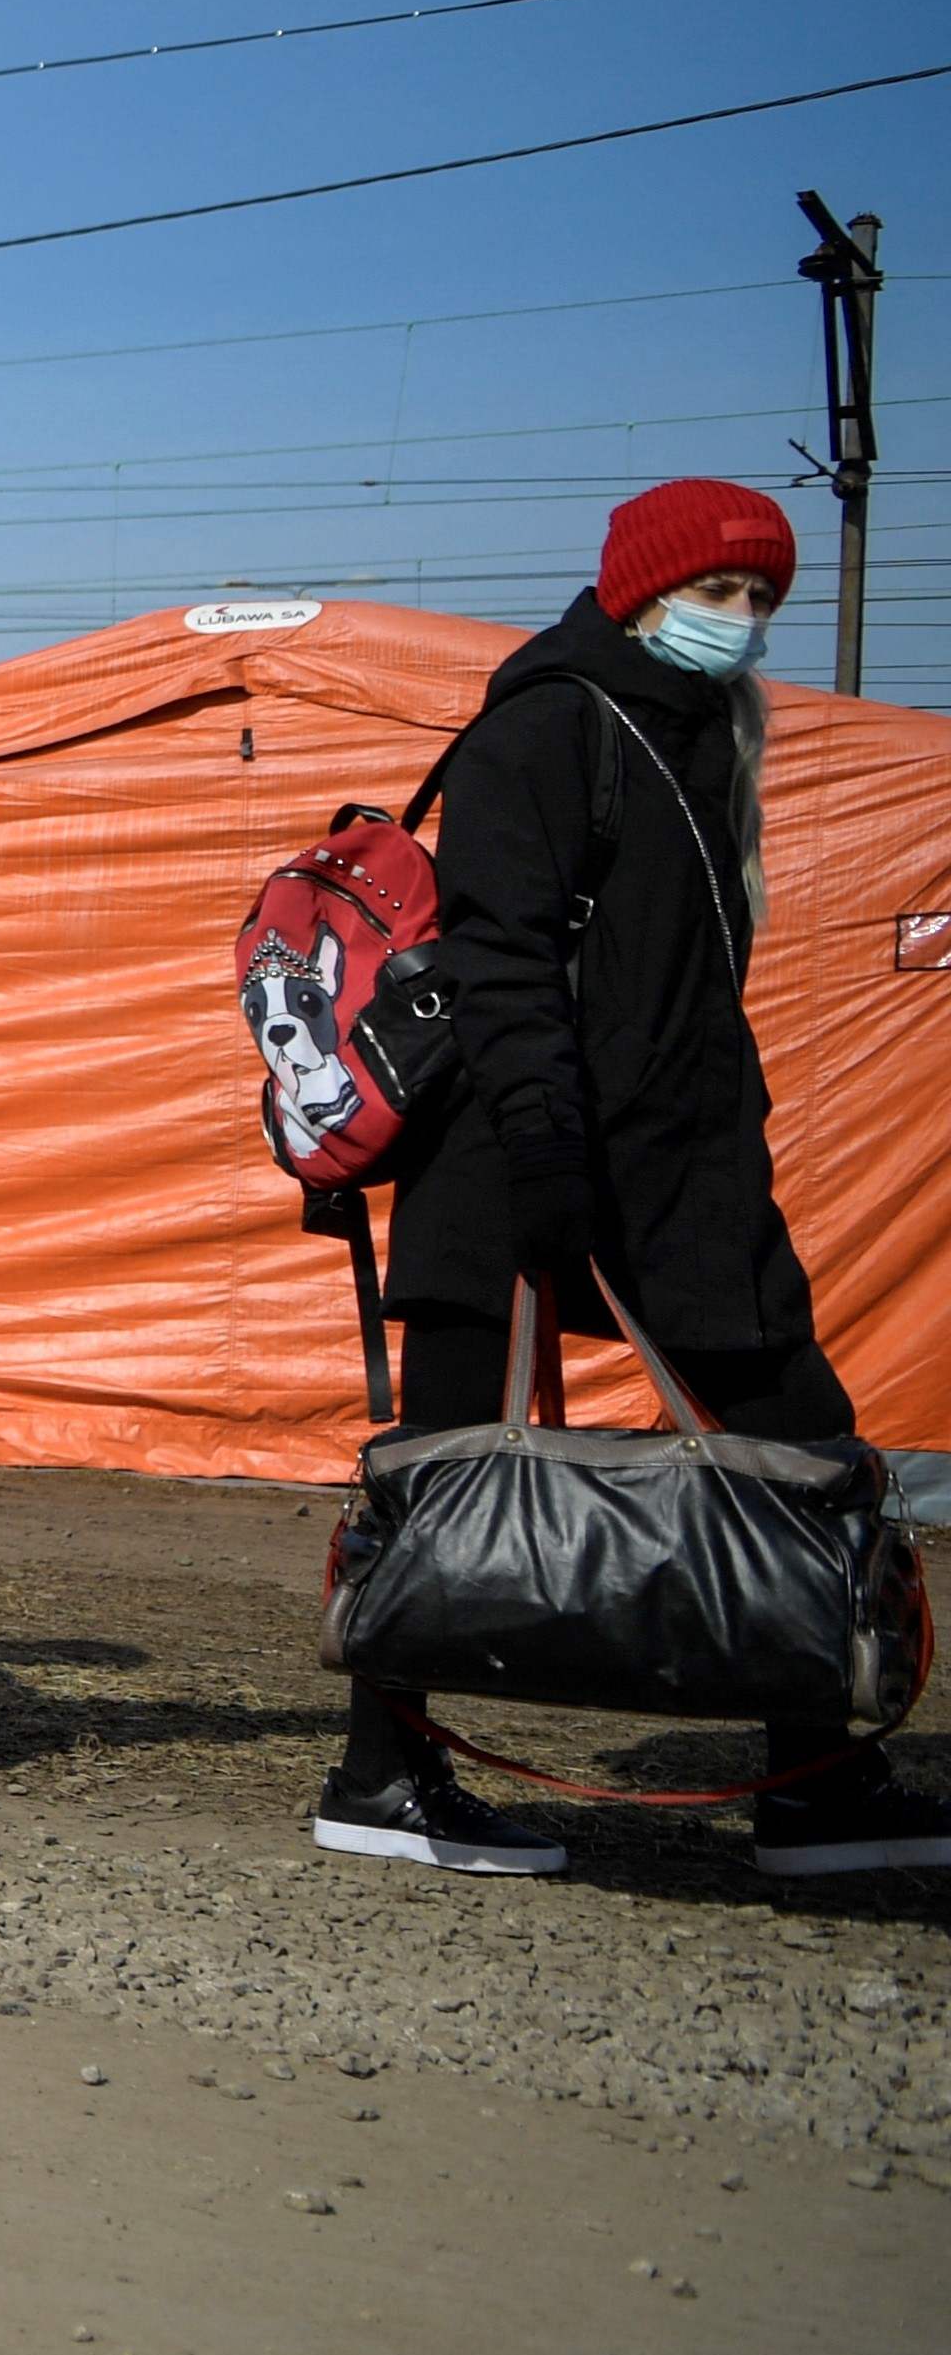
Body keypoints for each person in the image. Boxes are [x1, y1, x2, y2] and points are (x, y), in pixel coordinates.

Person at [316, 477, 944, 1879]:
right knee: (448, 1473)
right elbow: (501, 960)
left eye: (762, 601)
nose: (742, 623)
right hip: (520, 1154)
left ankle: (815, 1779)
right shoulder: (542, 729)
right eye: (718, 593)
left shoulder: (708, 731)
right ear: (643, 588)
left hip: (681, 1161)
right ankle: (383, 1770)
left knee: (799, 1443)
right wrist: (543, 1150)